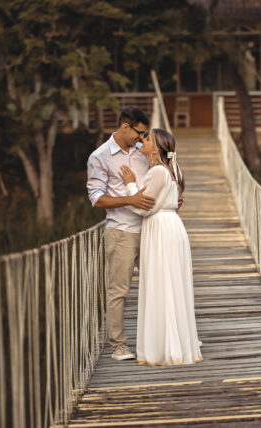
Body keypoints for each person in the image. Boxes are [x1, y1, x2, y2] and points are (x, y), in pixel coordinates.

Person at [119, 128, 202, 366]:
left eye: (147, 139)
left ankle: (165, 349)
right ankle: (174, 344)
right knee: (170, 283)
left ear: (156, 148)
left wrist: (130, 186)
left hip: (161, 229)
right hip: (170, 226)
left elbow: (143, 207)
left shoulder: (157, 171)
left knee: (161, 283)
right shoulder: (169, 170)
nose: (142, 140)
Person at [86, 106, 154, 361]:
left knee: (158, 285)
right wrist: (130, 199)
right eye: (139, 133)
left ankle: (161, 338)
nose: (142, 138)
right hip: (121, 231)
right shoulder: (100, 157)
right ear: (125, 127)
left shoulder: (143, 151)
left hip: (151, 229)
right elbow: (97, 199)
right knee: (119, 291)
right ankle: (119, 346)